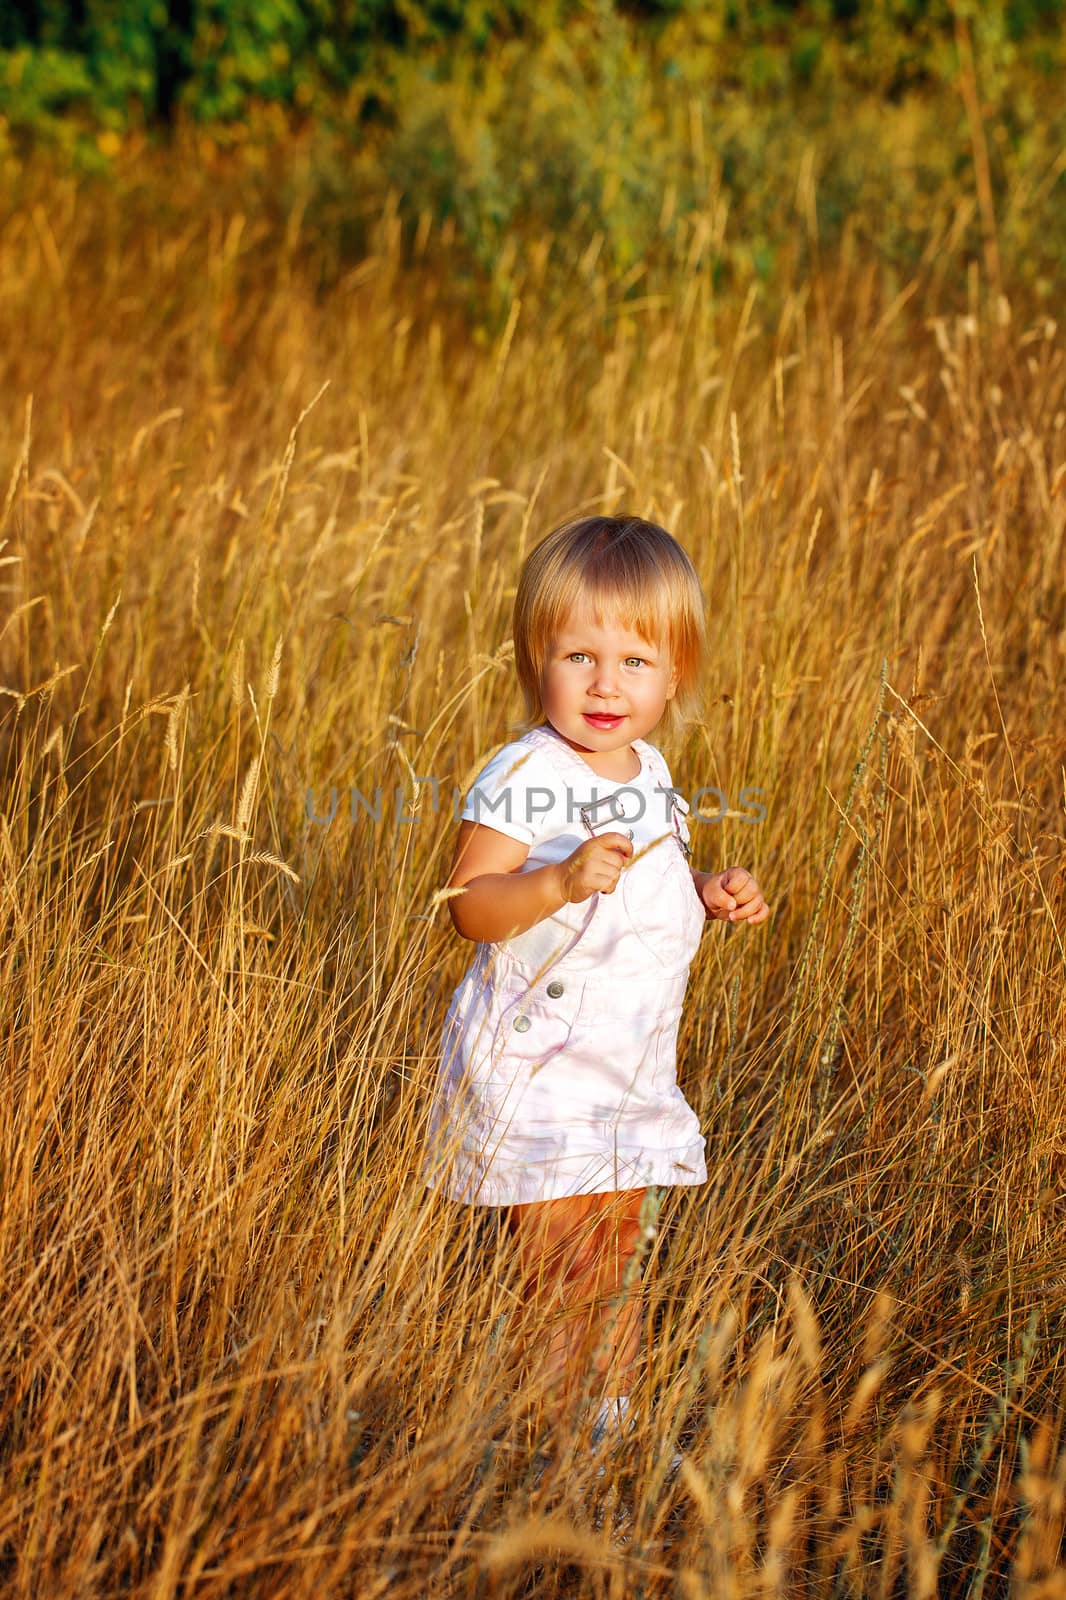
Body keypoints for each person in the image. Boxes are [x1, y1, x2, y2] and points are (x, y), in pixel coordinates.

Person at [423, 514, 769, 1463]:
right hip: (542, 1063)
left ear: (677, 673)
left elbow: (644, 879)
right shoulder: (528, 773)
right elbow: (470, 905)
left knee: (618, 1250)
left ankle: (608, 1415)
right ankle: (546, 1430)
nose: (606, 683)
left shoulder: (652, 771)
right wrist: (555, 881)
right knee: (558, 1259)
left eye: (635, 660)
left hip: (627, 1067)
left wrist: (706, 892)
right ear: (537, 660)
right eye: (579, 654)